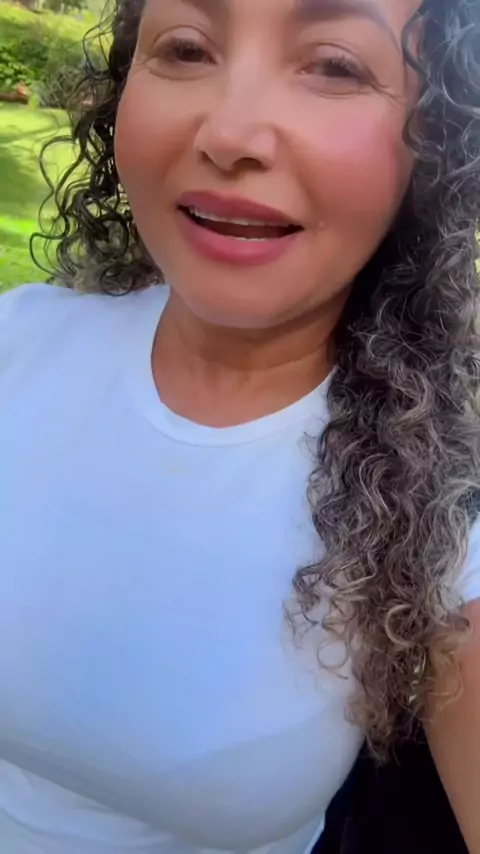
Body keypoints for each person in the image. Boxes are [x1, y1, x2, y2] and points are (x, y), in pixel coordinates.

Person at [1, 0, 480, 852]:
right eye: (187, 49)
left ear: (434, 145)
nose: (229, 133)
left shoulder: (447, 498)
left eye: (334, 65)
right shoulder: (19, 343)